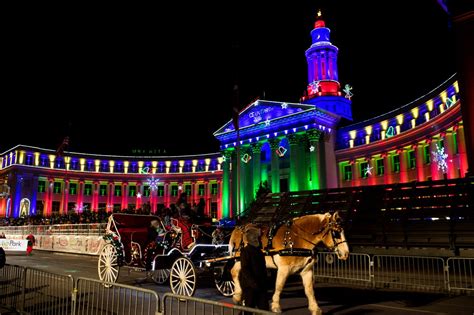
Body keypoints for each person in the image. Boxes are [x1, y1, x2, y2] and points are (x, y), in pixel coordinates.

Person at [238, 226, 269, 311]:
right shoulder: (245, 251)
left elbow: (263, 266)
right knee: (249, 308)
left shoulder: (258, 251)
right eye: (255, 237)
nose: (258, 240)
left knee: (264, 309)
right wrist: (253, 283)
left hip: (260, 285)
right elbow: (245, 269)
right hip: (250, 287)